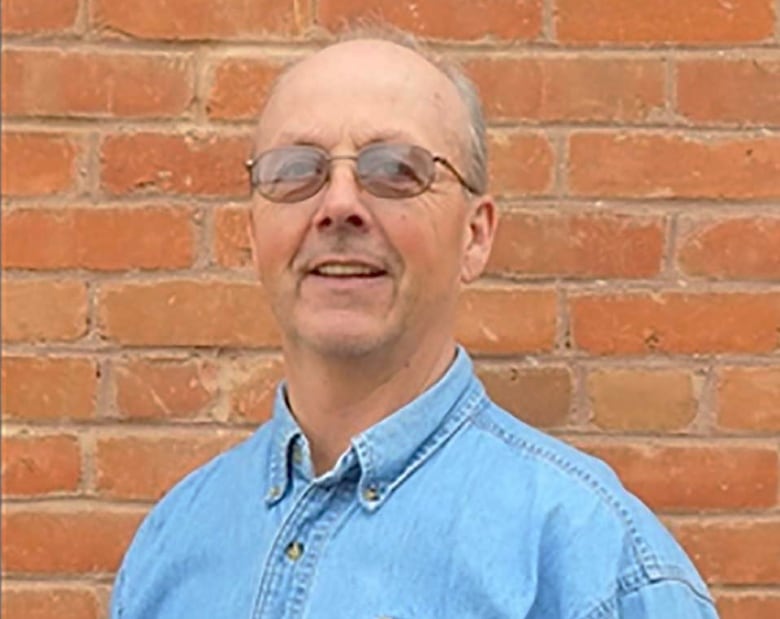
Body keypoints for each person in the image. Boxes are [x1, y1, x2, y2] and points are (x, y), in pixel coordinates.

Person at [110, 27, 719, 619]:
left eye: (396, 171)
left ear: (474, 236)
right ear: (253, 233)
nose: (339, 206)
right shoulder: (175, 538)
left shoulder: (592, 562)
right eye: (297, 170)